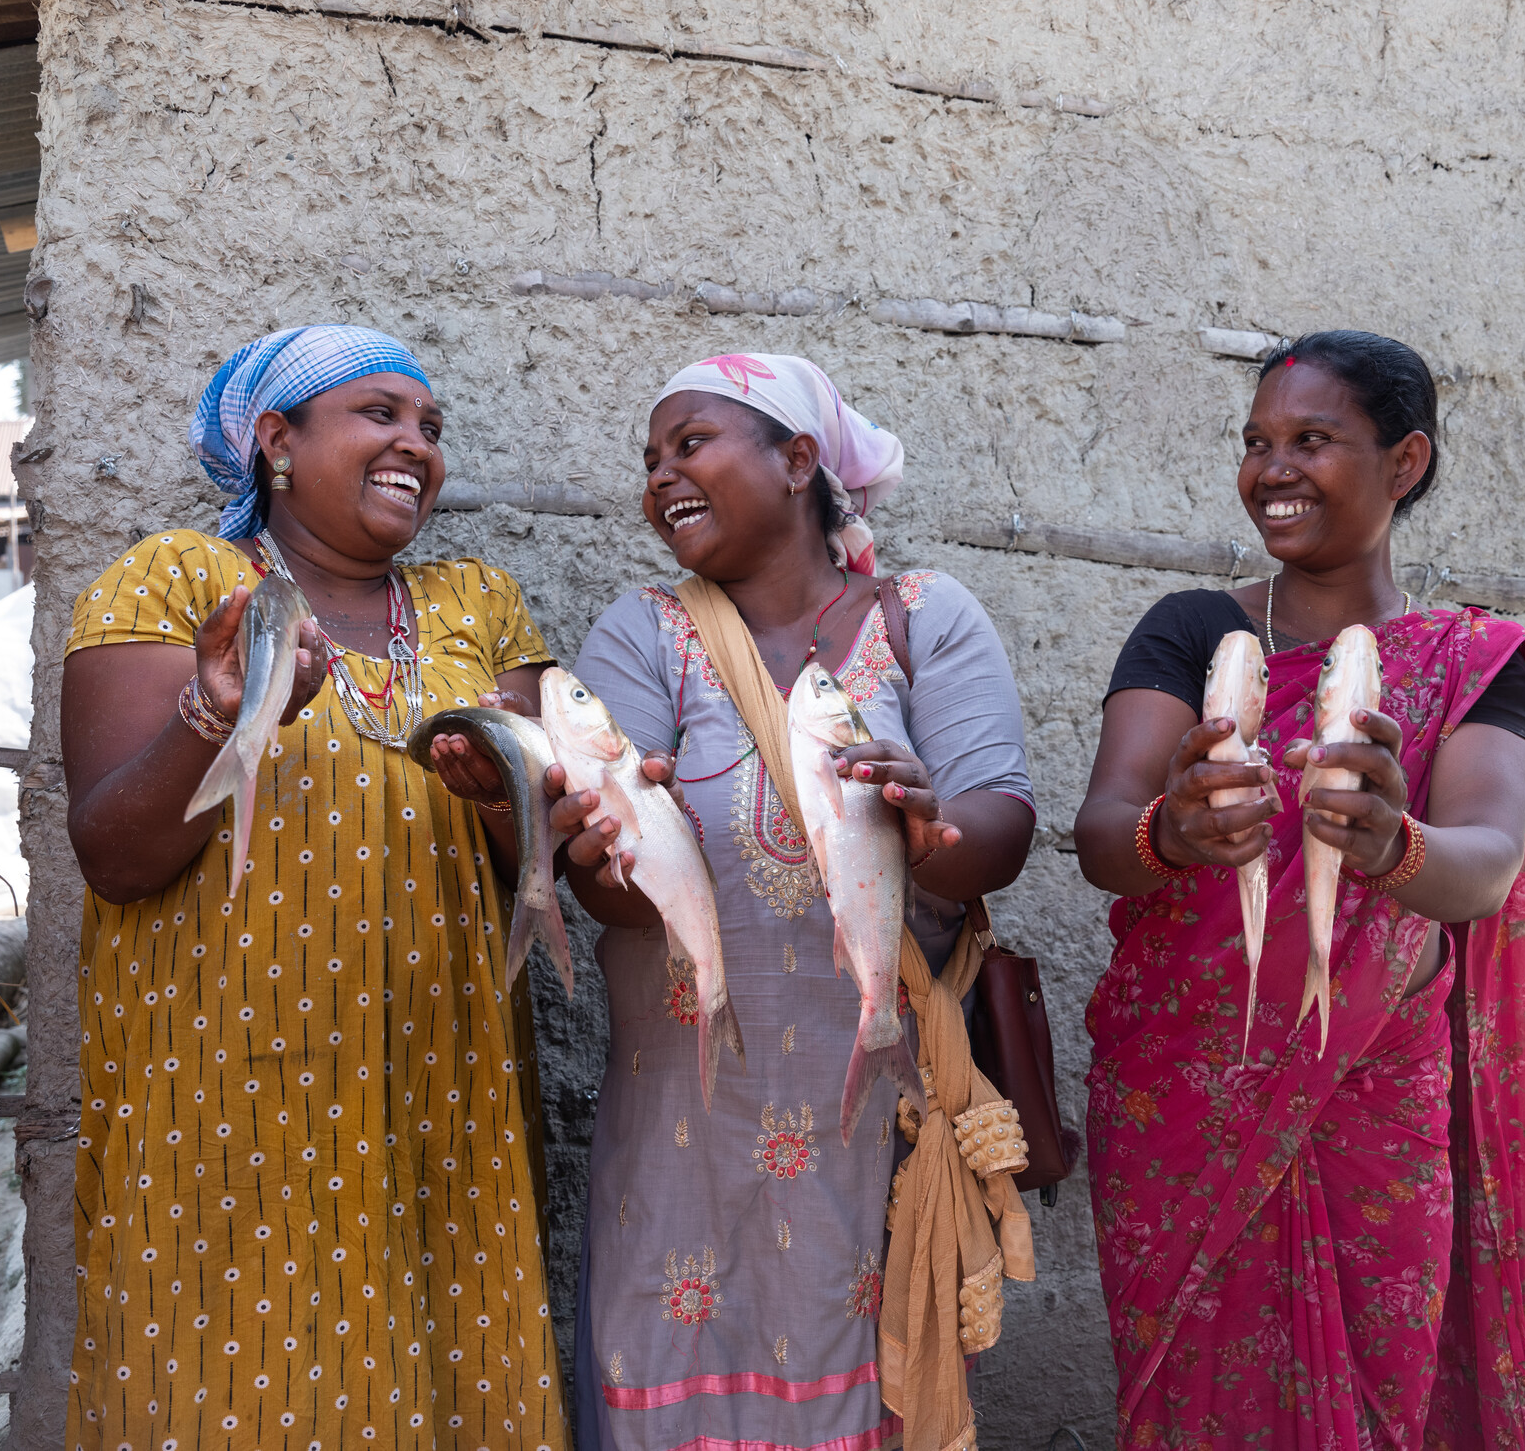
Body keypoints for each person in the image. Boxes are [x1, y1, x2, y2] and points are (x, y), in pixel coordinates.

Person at [59, 326, 568, 1450]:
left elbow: (538, 862)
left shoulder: (477, 605)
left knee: (445, 1370)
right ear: (276, 442)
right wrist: (217, 715)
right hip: (223, 1100)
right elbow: (114, 856)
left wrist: (500, 797)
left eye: (430, 427)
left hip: (442, 1088)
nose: (415, 445)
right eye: (379, 414)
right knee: (233, 1380)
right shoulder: (181, 582)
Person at [1073, 331, 1525, 1448]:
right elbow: (1102, 833)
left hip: (1370, 1107)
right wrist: (1174, 832)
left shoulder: (1472, 659)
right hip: (1179, 1100)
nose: (1270, 469)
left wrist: (1394, 843)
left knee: (1378, 1401)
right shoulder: (1193, 631)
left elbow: (1482, 861)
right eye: (1254, 443)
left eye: (1310, 440)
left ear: (1403, 461)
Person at [553, 353, 1037, 1451]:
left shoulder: (921, 618)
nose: (659, 477)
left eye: (690, 444)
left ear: (798, 459)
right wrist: (600, 850)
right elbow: (618, 901)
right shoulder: (644, 635)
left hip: (873, 1123)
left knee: (862, 1375)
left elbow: (997, 827)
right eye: (649, 460)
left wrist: (933, 830)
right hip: (685, 1127)